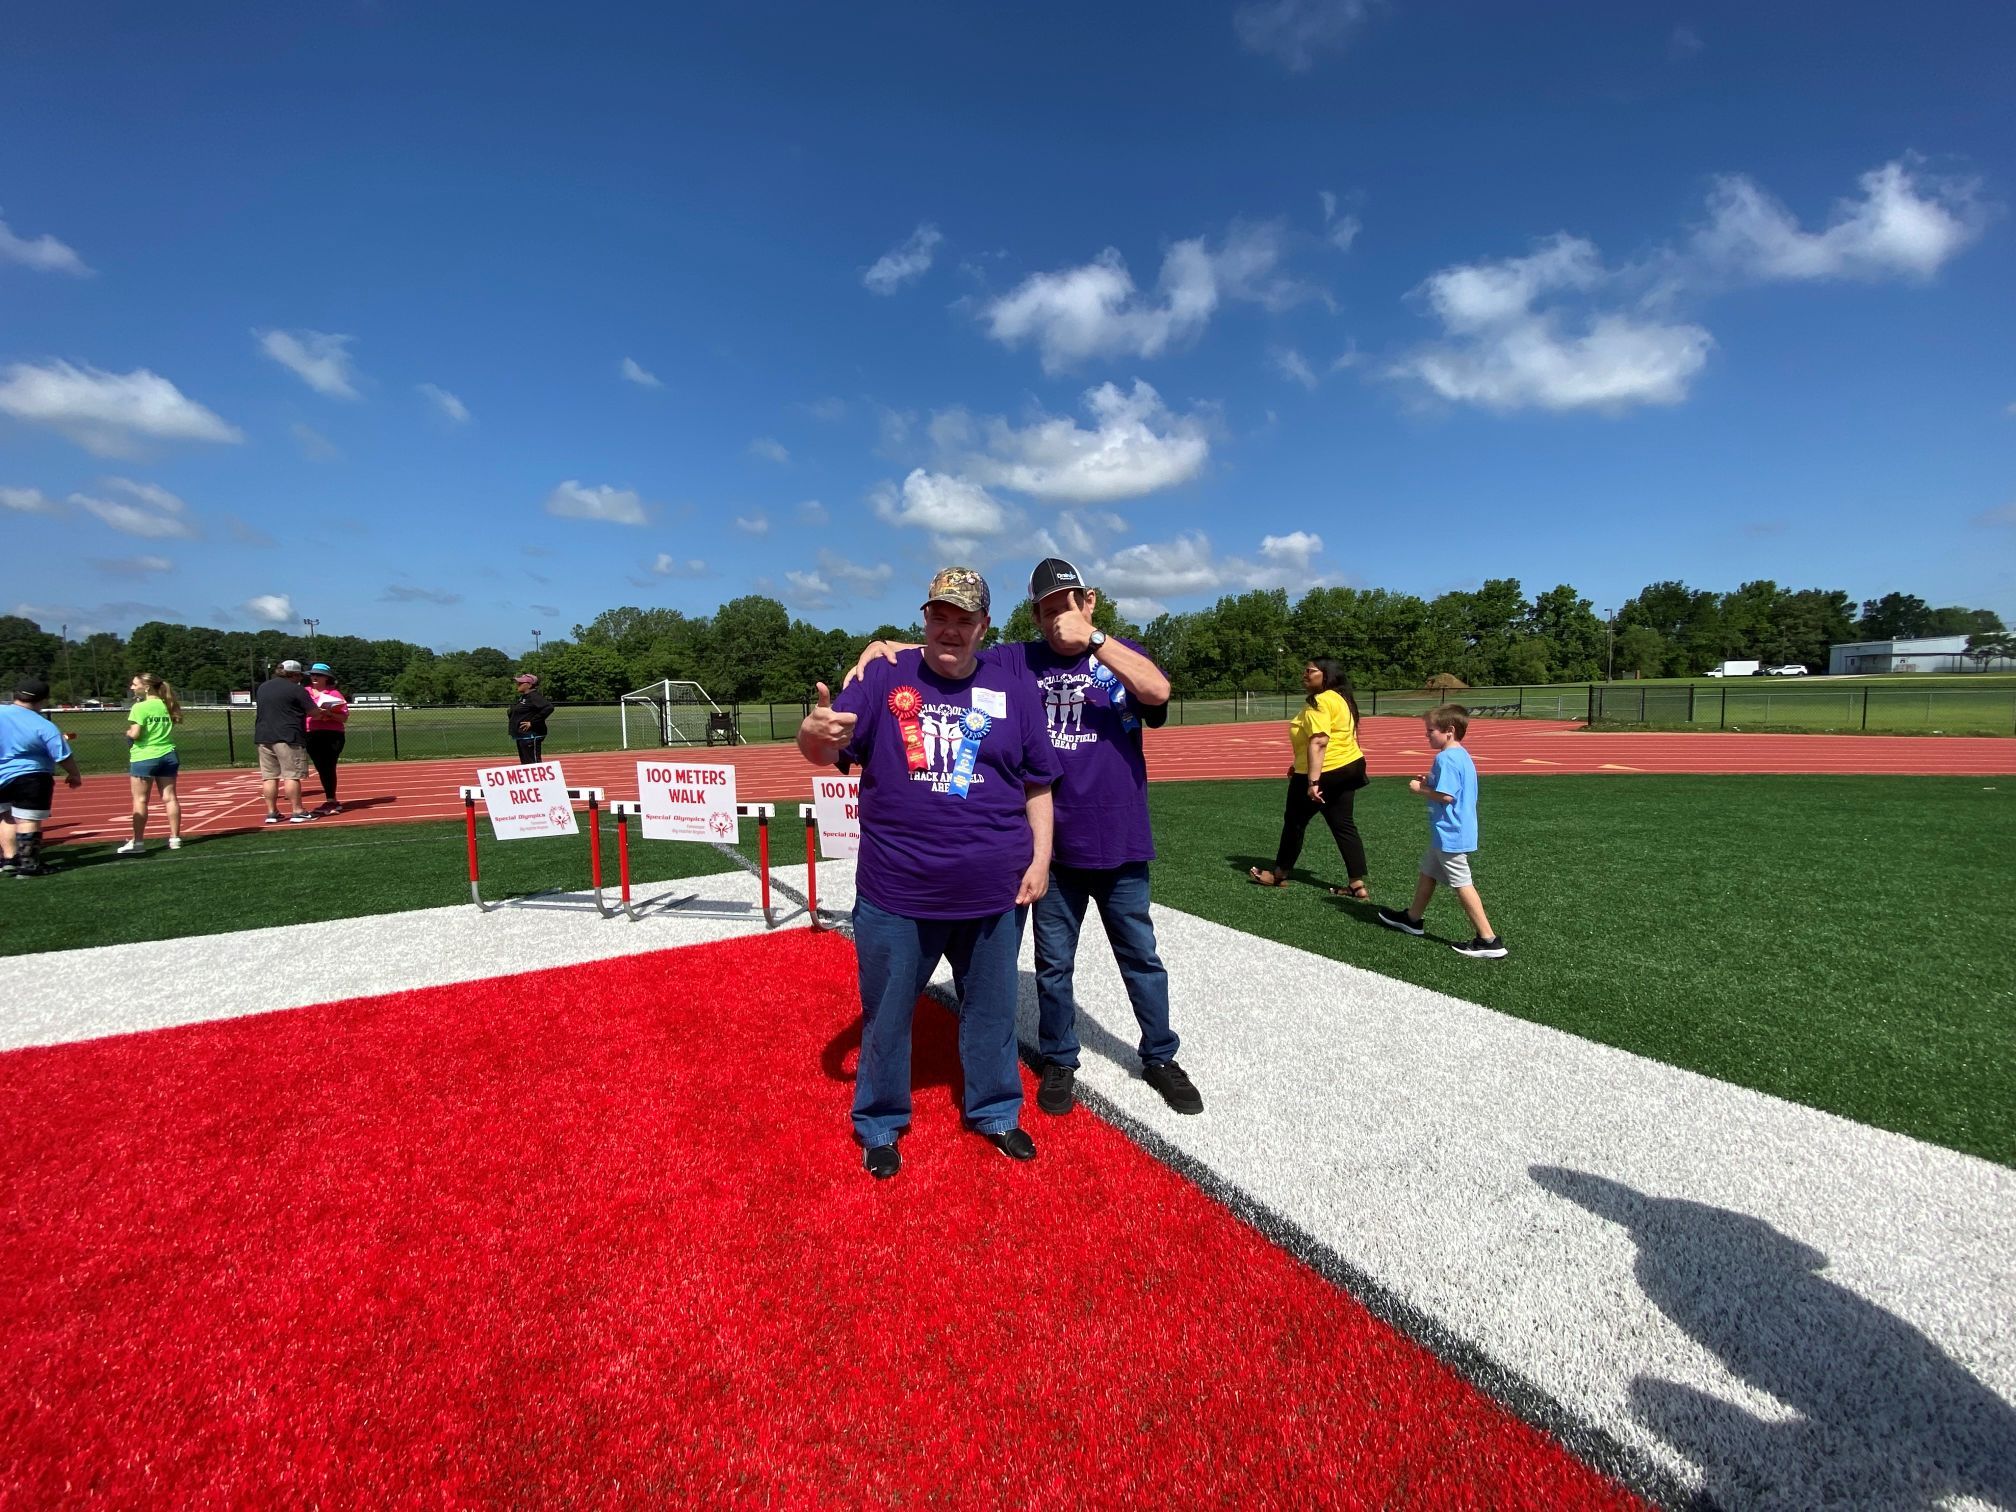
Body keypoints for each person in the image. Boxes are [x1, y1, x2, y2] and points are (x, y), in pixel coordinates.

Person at [845, 555, 1204, 1119]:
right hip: (1051, 851)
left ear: (1089, 601)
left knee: (1140, 955)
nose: (1059, 617)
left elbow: (1157, 692)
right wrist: (880, 648)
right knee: (1053, 966)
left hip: (1120, 840)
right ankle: (1060, 1057)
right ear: (1033, 617)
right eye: (1047, 608)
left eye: (1069, 603)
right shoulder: (1016, 661)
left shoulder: (1123, 650)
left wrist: (1095, 638)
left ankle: (1160, 1055)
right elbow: (951, 647)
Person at [800, 566, 1059, 1180]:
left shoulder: (1013, 689)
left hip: (993, 888)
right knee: (887, 1015)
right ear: (924, 619)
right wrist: (810, 736)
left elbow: (1038, 784)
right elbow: (828, 749)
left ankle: (995, 1110)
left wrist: (1041, 858)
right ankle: (881, 1122)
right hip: (898, 890)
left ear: (984, 625)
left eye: (963, 618)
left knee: (992, 1013)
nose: (950, 629)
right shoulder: (883, 675)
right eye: (939, 616)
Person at [1377, 704, 1508, 958]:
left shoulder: (1445, 758)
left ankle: (1488, 939)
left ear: (1449, 731)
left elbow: (1447, 796)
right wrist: (1431, 784)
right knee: (1428, 871)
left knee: (1463, 884)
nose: (1427, 736)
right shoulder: (1462, 755)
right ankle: (1412, 919)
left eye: (1431, 731)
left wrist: (1420, 789)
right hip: (1451, 831)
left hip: (1450, 833)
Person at [1247, 658, 1371, 898]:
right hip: (1347, 767)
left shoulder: (1320, 701)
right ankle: (1357, 885)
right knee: (1343, 824)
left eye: (1310, 671)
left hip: (1324, 771)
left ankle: (1279, 874)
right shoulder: (1342, 699)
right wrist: (1298, 764)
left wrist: (1313, 781)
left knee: (1294, 822)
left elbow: (1319, 740)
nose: (1304, 674)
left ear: (1326, 675)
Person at [0, 678, 84, 879]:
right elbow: (62, 754)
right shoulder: (42, 724)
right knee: (27, 818)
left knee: (5, 817)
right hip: (31, 774)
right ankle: (29, 864)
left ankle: (10, 859)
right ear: (43, 700)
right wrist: (74, 774)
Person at [116, 671, 184, 855]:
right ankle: (175, 838)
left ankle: (138, 842)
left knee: (140, 800)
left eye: (134, 684)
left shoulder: (140, 707)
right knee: (170, 798)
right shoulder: (167, 704)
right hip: (168, 754)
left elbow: (136, 734)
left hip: (145, 756)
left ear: (146, 687)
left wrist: (128, 733)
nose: (132, 687)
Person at [253, 659, 320, 824]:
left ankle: (271, 812)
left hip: (264, 736)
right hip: (289, 736)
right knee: (291, 775)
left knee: (269, 777)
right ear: (295, 674)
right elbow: (314, 713)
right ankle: (297, 810)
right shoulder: (296, 690)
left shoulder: (263, 687)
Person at [303, 662, 350, 813]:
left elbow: (344, 718)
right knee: (321, 767)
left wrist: (329, 714)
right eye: (312, 674)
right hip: (311, 732)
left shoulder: (335, 694)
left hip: (332, 734)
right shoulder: (304, 692)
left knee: (328, 766)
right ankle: (331, 799)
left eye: (318, 675)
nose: (314, 677)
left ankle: (331, 800)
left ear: (326, 678)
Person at [508, 673, 554, 765]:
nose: (518, 684)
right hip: (522, 736)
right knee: (526, 764)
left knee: (533, 764)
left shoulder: (534, 696)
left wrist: (532, 722)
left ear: (529, 685)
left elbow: (548, 707)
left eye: (521, 683)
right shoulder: (524, 697)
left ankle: (540, 780)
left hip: (530, 736)